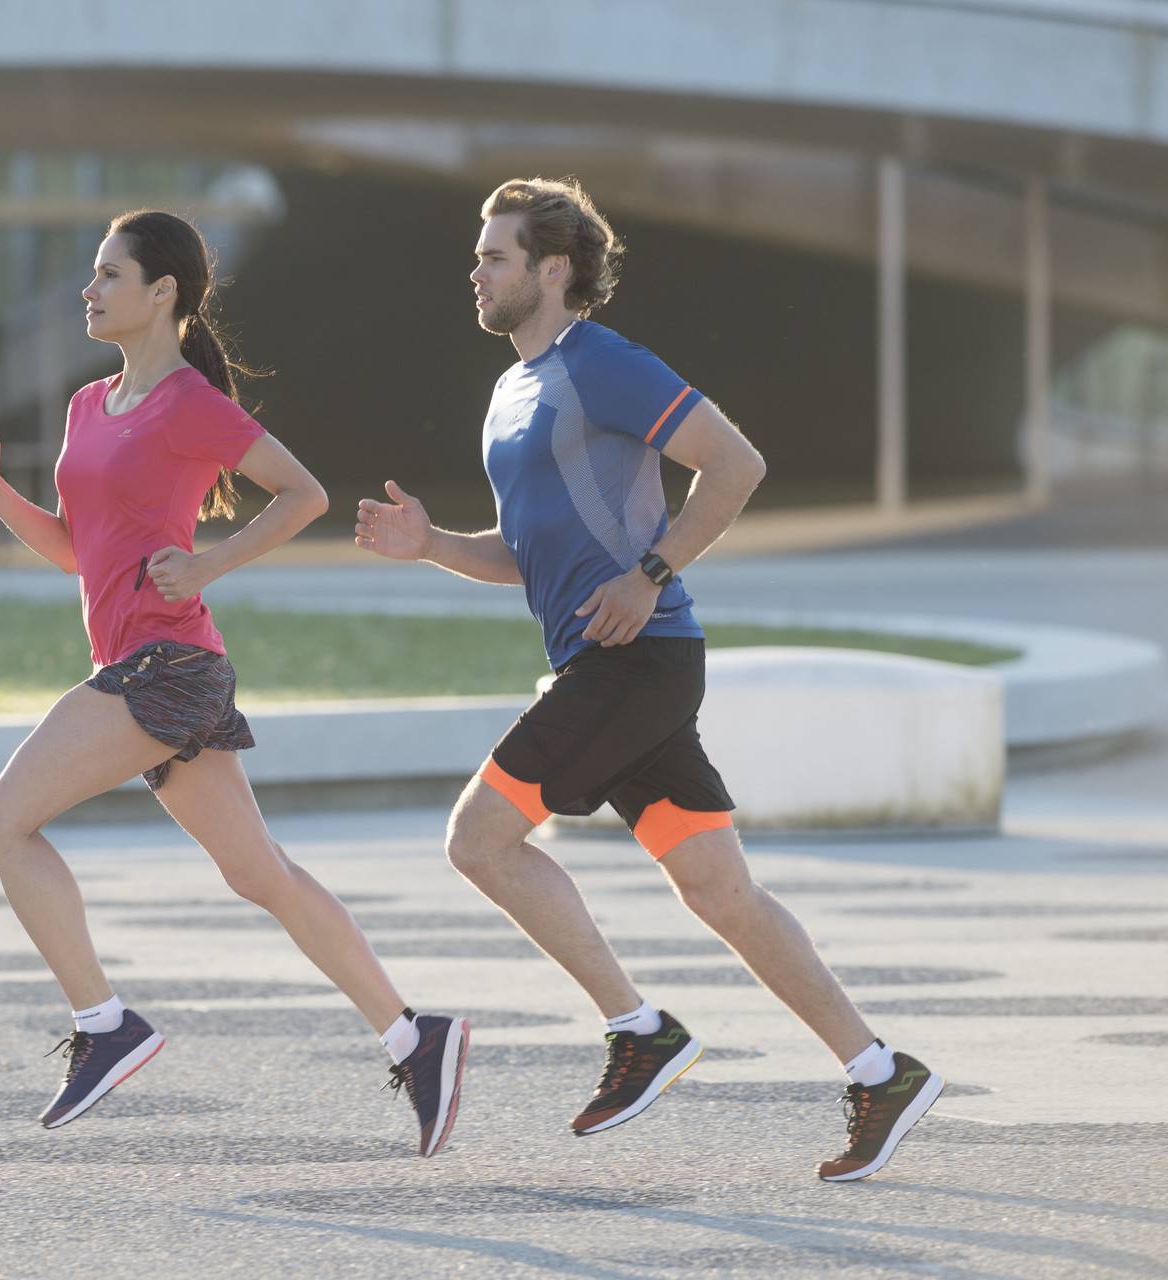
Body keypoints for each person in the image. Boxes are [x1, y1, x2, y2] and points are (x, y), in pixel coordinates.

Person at [353, 177, 942, 1182]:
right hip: (610, 662)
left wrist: (653, 571)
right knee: (720, 889)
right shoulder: (511, 393)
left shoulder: (602, 364)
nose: (477, 271)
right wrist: (431, 543)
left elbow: (736, 462)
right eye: (479, 255)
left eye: (495, 256)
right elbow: (527, 553)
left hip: (640, 659)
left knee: (478, 838)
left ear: (552, 268)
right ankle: (880, 1068)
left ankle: (639, 1026)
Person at [0, 209, 468, 1156]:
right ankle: (413, 1036)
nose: (89, 290)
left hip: (167, 662)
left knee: (1, 822)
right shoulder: (82, 406)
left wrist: (208, 563)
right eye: (92, 274)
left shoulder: (188, 403)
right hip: (138, 661)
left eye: (109, 275)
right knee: (257, 873)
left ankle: (106, 1026)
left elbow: (303, 493)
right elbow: (78, 552)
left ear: (162, 295)